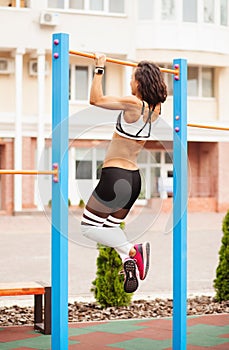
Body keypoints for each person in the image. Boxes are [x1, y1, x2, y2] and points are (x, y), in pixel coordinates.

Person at [81, 53, 167, 293]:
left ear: (139, 82)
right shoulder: (156, 108)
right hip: (133, 180)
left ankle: (133, 251)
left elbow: (95, 99)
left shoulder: (132, 104)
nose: (130, 82)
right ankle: (128, 259)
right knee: (109, 228)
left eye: (132, 78)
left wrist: (99, 68)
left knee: (88, 227)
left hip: (114, 176)